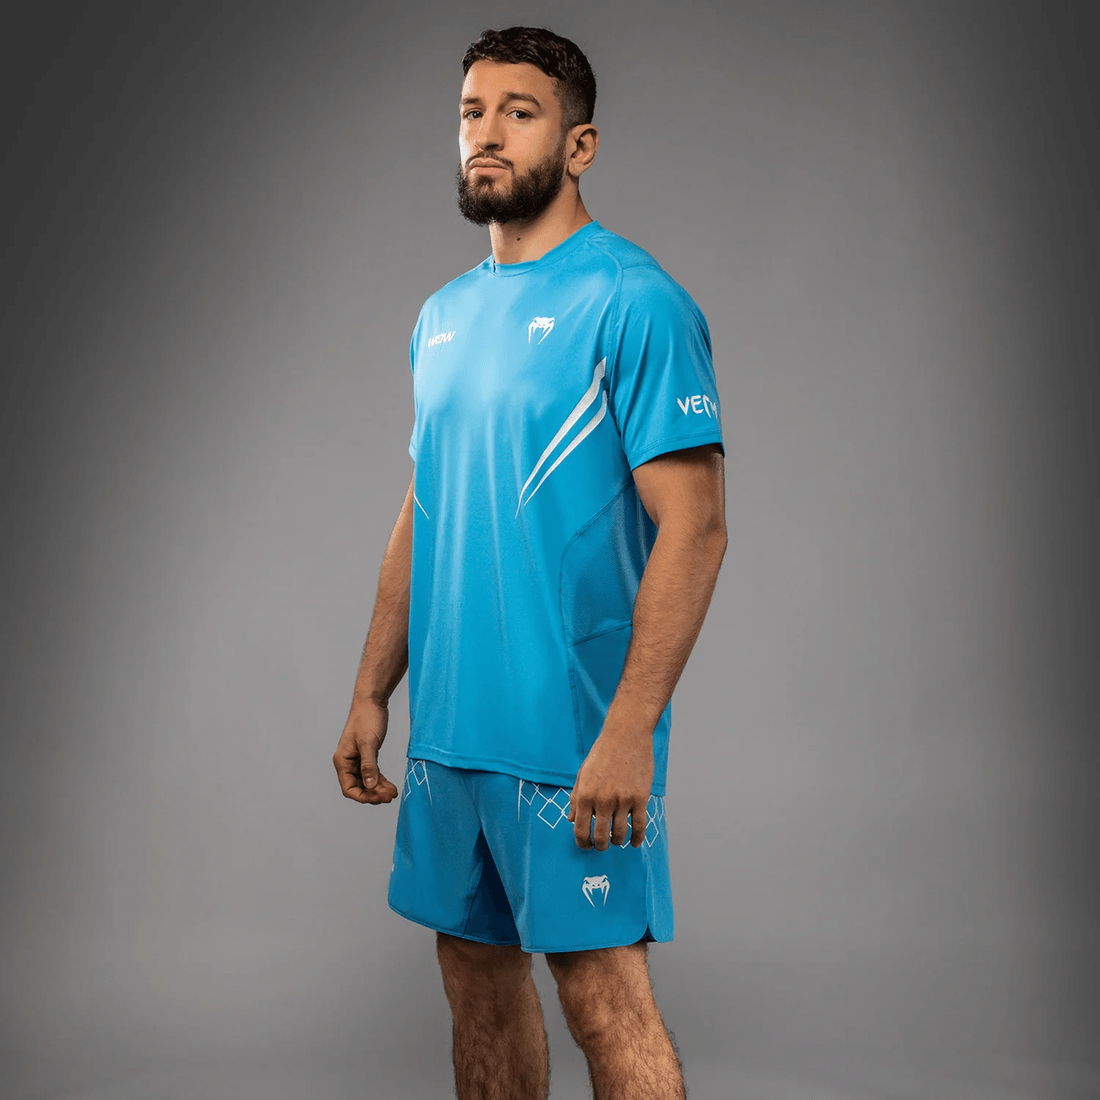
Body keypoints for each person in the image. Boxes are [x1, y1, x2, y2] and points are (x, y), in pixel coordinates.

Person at [334, 25, 727, 1100]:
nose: (488, 133)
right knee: (473, 982)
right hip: (449, 732)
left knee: (601, 996)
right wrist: (372, 689)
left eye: (519, 111)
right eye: (472, 111)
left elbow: (696, 527)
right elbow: (422, 512)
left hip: (571, 741)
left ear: (579, 144)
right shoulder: (442, 316)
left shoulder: (633, 301)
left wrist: (629, 729)